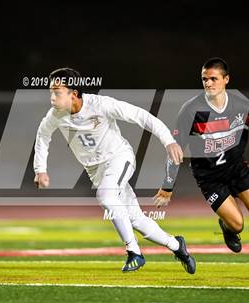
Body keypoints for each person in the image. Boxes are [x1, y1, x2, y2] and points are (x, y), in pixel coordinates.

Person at [154, 58, 249, 273]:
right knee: (238, 224)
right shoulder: (191, 110)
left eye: (213, 79)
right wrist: (167, 186)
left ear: (226, 79)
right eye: (204, 79)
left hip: (237, 168)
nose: (208, 83)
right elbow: (175, 151)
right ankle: (228, 228)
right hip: (210, 178)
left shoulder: (241, 104)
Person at [33, 67, 196, 273]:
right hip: (96, 170)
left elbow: (142, 116)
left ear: (74, 93)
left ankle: (134, 252)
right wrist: (40, 169)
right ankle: (177, 245)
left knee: (106, 195)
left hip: (119, 158)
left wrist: (169, 142)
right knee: (136, 219)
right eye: (51, 91)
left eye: (57, 91)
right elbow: (42, 136)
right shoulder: (55, 115)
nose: (52, 96)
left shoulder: (101, 105)